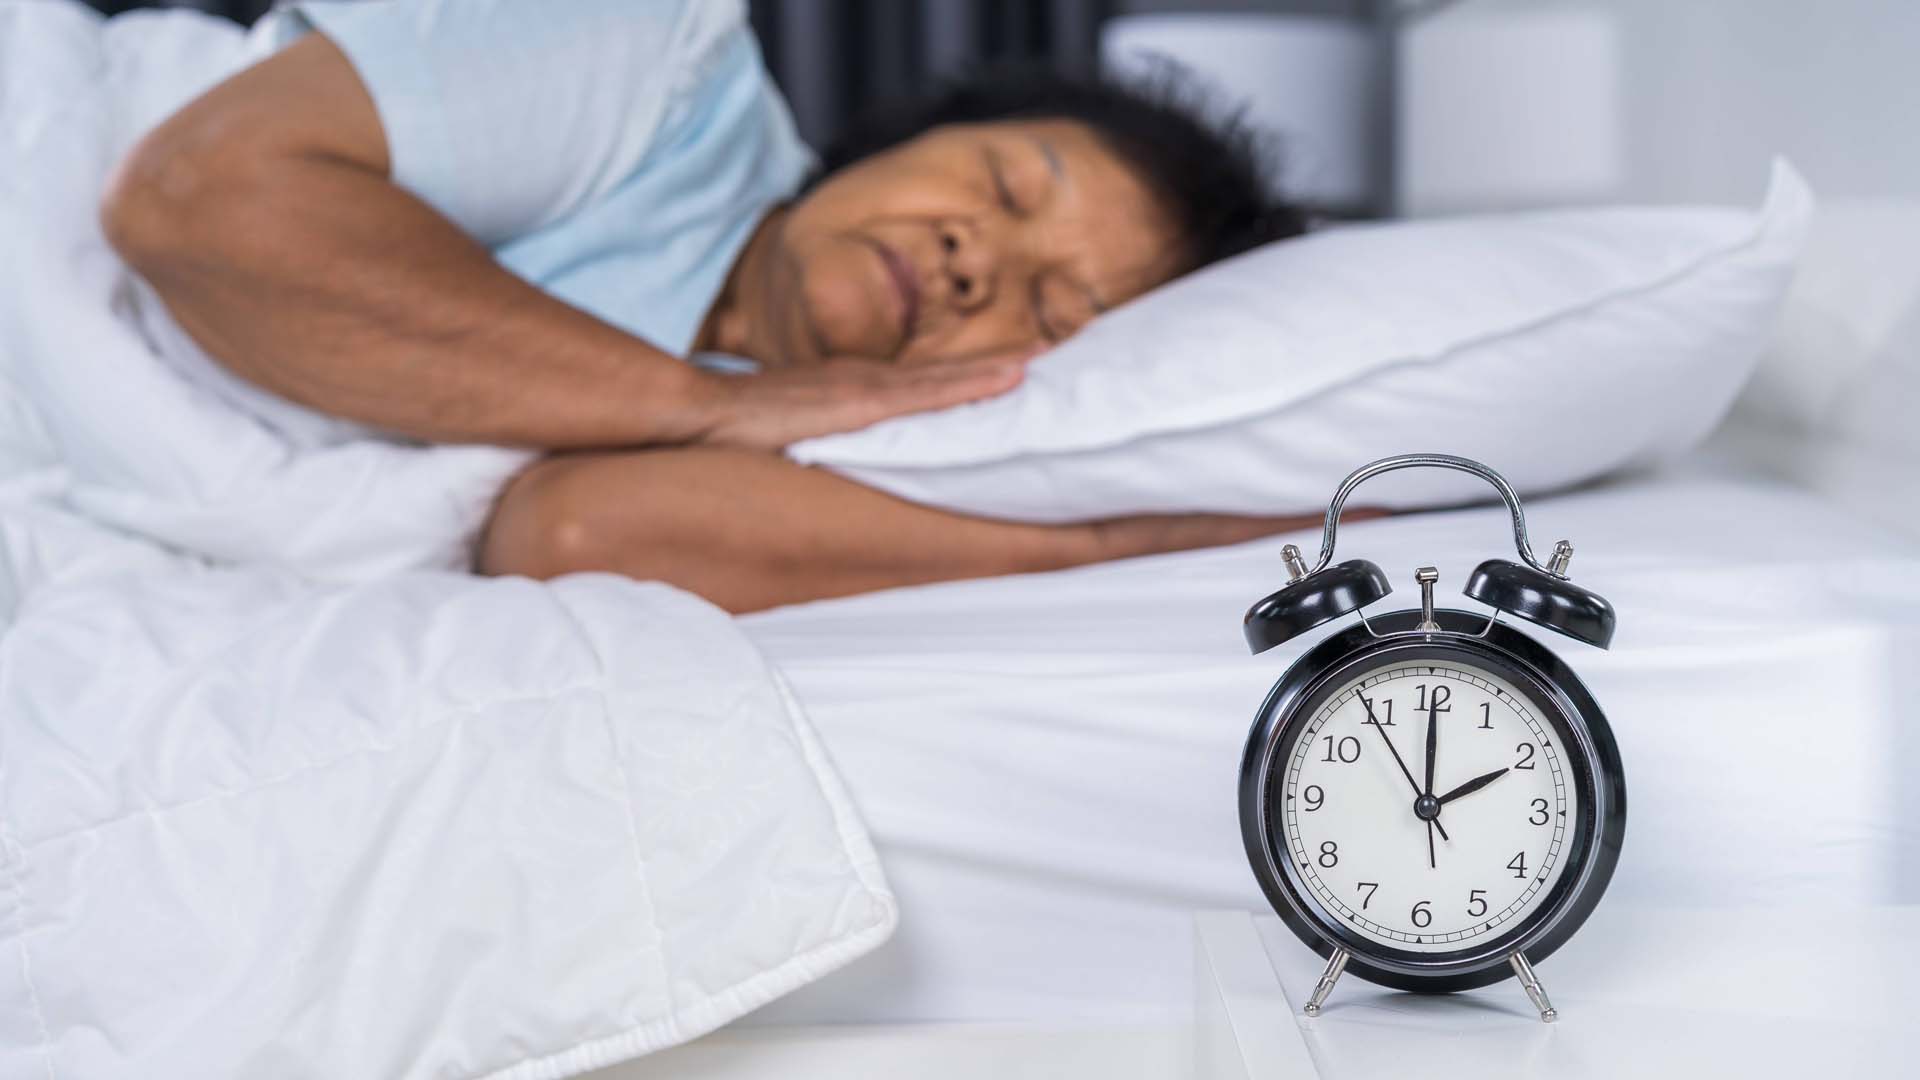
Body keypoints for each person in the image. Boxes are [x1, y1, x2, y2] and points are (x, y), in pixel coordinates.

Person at [102, 0, 1316, 612]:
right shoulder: (661, 59)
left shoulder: (865, 441)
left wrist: (1099, 551)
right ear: (916, 133)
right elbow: (190, 199)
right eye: (1001, 186)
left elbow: (567, 537)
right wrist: (686, 402)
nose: (969, 261)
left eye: (1049, 311)